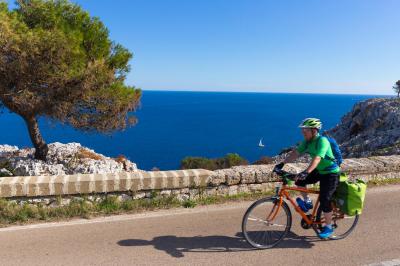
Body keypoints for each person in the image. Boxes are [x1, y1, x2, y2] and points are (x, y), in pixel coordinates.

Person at [274, 118, 340, 239]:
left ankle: (329, 227)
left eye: (306, 130)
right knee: (299, 180)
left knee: (325, 199)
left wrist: (307, 171)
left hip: (331, 173)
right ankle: (308, 202)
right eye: (303, 130)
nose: (303, 132)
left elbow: (317, 158)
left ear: (314, 131)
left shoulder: (322, 141)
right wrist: (282, 164)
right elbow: (295, 153)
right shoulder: (307, 141)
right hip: (319, 170)